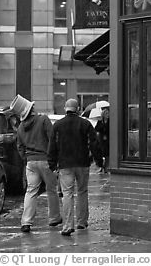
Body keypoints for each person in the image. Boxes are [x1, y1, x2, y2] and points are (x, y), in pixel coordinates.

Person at [47, 98, 99, 236]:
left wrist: (52, 164)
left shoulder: (57, 125)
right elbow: (94, 143)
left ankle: (68, 225)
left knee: (67, 194)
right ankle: (82, 222)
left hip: (65, 164)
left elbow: (52, 146)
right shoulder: (85, 124)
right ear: (78, 109)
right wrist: (98, 160)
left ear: (65, 108)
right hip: (82, 163)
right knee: (82, 191)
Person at [11, 94, 62, 233]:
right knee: (51, 189)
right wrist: (54, 159)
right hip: (46, 160)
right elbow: (52, 140)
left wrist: (26, 159)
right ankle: (54, 218)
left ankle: (26, 222)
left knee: (31, 191)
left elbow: (20, 147)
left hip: (30, 162)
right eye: (33, 106)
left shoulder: (21, 127)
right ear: (31, 109)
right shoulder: (43, 119)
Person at [94, 101, 110, 173]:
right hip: (101, 140)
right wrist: (102, 124)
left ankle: (106, 166)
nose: (107, 115)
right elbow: (97, 129)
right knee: (101, 153)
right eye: (106, 113)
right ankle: (101, 166)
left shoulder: (110, 121)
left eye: (108, 113)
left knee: (107, 154)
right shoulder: (100, 122)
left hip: (108, 139)